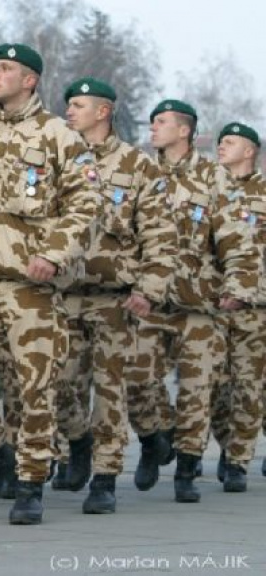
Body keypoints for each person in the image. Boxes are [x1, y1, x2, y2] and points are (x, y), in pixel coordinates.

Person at [0, 43, 100, 524]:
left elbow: (86, 205)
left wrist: (53, 254)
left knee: (35, 389)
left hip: (31, 285)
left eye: (6, 68)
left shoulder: (58, 136)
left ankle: (30, 483)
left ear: (29, 80)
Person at [57, 78, 176, 513]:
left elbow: (161, 234)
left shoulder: (136, 165)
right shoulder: (58, 158)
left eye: (78, 105)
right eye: (69, 105)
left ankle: (105, 477)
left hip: (114, 298)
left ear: (103, 111)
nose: (69, 111)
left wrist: (149, 289)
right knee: (55, 381)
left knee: (111, 390)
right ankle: (78, 441)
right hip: (62, 293)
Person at [129, 100, 257, 503]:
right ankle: (156, 435)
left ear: (184, 131)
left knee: (197, 391)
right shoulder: (140, 173)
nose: (153, 127)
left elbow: (237, 240)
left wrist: (238, 287)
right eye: (152, 121)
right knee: (137, 379)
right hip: (149, 302)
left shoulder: (212, 177)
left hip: (200, 305)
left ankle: (187, 468)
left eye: (161, 121)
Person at [208, 122, 265, 493]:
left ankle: (237, 460)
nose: (221, 147)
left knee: (248, 386)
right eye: (220, 142)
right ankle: (227, 442)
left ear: (249, 150)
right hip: (212, 304)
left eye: (229, 142)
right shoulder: (208, 192)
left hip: (256, 307)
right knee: (212, 387)